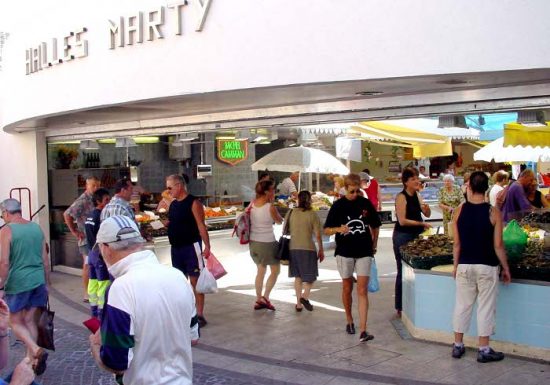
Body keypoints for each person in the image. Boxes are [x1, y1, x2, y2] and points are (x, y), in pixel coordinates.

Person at [89, 215, 199, 385]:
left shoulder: (121, 288)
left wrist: (96, 345)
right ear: (139, 243)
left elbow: (117, 363)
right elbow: (193, 338)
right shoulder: (178, 277)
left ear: (105, 248)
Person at [451, 171, 511, 363]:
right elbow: (498, 245)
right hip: (487, 266)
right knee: (485, 308)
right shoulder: (493, 212)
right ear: (487, 188)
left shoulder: (459, 210)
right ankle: (484, 349)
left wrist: (455, 266)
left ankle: (458, 345)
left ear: (469, 187)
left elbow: (457, 244)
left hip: (464, 266)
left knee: (462, 305)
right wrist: (506, 268)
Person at [324, 173, 381, 342]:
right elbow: (326, 229)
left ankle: (363, 329)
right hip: (344, 252)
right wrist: (338, 229)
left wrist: (374, 244)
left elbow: (375, 225)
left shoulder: (365, 203)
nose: (355, 195)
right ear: (345, 189)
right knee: (347, 287)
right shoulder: (338, 206)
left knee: (362, 290)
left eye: (357, 191)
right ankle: (349, 319)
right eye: (351, 192)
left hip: (364, 251)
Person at [0, 199, 49, 376]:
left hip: (18, 282)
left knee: (14, 321)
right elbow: (45, 259)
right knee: (29, 320)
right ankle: (31, 362)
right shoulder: (36, 228)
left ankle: (35, 350)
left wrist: (0, 284)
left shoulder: (7, 230)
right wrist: (47, 282)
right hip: (38, 281)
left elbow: (4, 262)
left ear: (6, 212)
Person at [166, 174, 212, 327]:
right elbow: (172, 221)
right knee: (179, 281)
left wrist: (207, 246)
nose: (168, 191)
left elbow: (201, 225)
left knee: (195, 280)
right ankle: (183, 312)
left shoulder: (193, 203)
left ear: (179, 186)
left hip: (191, 247)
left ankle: (199, 314)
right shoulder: (173, 204)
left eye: (170, 187)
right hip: (176, 248)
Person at [392, 167, 431, 317]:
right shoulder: (401, 197)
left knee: (416, 270)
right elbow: (402, 221)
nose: (417, 181)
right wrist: (421, 224)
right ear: (406, 182)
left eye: (417, 178)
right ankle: (400, 306)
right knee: (402, 270)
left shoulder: (418, 195)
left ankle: (414, 302)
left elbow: (425, 213)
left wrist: (426, 210)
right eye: (413, 179)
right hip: (403, 236)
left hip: (417, 236)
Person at [285, 191, 324, 312]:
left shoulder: (291, 212)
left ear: (298, 199)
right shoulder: (312, 214)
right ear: (310, 200)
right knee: (310, 277)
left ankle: (298, 304)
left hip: (293, 248)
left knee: (298, 277)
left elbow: (285, 229)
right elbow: (318, 235)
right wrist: (321, 249)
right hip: (308, 248)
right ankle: (304, 297)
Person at [63, 176, 100, 302]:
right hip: (85, 238)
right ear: (87, 186)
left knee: (94, 264)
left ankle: (94, 290)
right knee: (87, 264)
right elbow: (67, 214)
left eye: (97, 185)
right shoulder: (83, 200)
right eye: (93, 185)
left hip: (95, 237)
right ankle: (87, 293)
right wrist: (74, 231)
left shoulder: (95, 199)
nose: (96, 188)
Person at [249, 180, 283, 311]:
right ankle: (266, 297)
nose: (274, 192)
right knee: (275, 271)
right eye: (272, 190)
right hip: (267, 242)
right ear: (267, 192)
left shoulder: (252, 204)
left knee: (260, 271)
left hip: (253, 243)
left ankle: (258, 299)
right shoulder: (270, 207)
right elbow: (279, 221)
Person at [84, 188, 111, 319]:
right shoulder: (101, 217)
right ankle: (102, 314)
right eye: (106, 200)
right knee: (103, 284)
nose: (109, 202)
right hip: (99, 255)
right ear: (98, 201)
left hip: (91, 254)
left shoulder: (90, 216)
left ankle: (94, 314)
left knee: (93, 284)